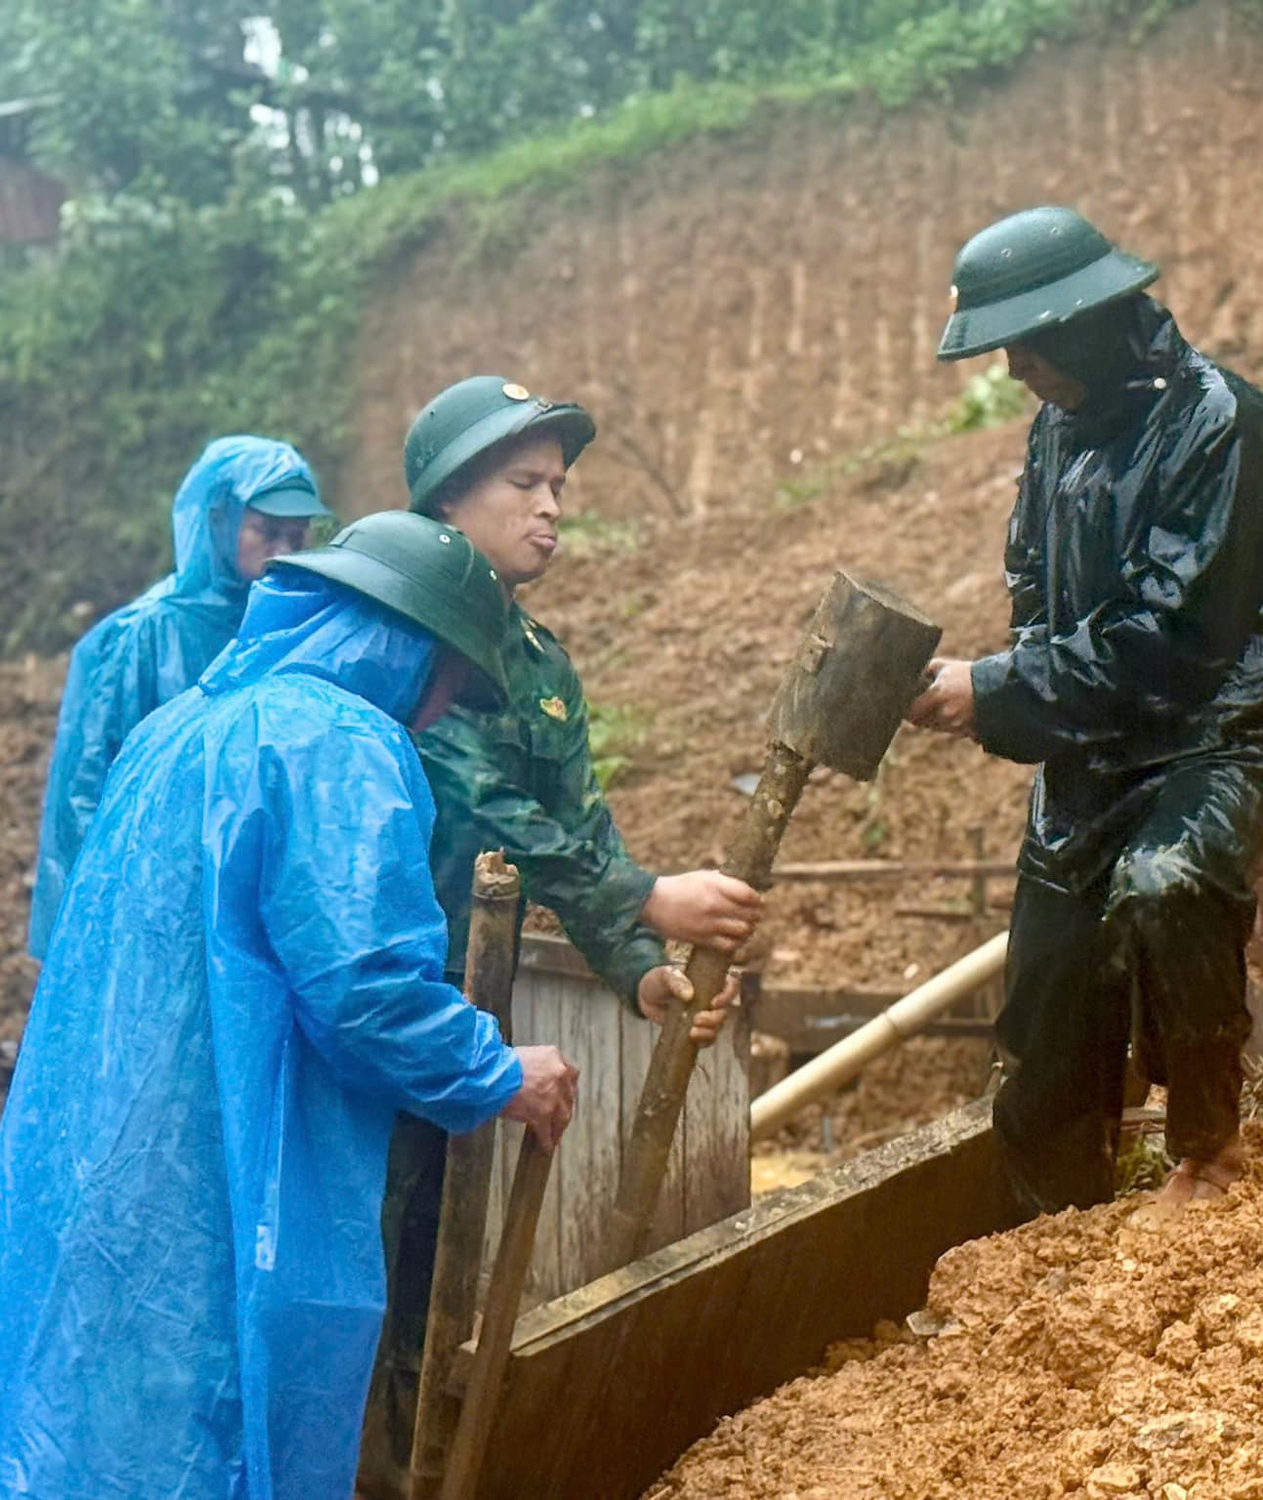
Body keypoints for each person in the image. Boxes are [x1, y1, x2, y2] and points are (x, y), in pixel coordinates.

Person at [0, 511, 581, 1500]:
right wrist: (494, 1072)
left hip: (104, 1150)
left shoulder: (176, 728)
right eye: (444, 686)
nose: (436, 715)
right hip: (219, 1167)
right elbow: (363, 990)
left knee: (75, 1404)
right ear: (408, 646)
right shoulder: (339, 742)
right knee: (206, 1417)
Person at [359, 378, 757, 1465]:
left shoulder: (538, 666)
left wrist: (637, 966)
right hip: (363, 994)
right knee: (358, 1260)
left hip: (461, 1010)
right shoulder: (392, 636)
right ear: (447, 501)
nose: (550, 508)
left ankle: (420, 1474)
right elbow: (475, 795)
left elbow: (574, 819)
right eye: (523, 484)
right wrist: (640, 895)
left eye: (559, 487)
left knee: (438, 1261)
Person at [906, 206, 1263, 1216]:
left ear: (1082, 326)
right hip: (1095, 755)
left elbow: (1172, 640)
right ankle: (1054, 1221)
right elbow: (1033, 587)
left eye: (1022, 349)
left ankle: (1207, 1155)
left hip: (1220, 740)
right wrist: (992, 686)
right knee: (1046, 1008)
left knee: (1165, 878)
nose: (1012, 375)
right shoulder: (1058, 430)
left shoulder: (1219, 424)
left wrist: (998, 688)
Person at [27, 434, 332, 956]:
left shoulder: (297, 626)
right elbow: (88, 786)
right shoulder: (145, 635)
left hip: (258, 893)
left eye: (296, 534)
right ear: (218, 519)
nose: (283, 551)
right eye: (266, 531)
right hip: (162, 889)